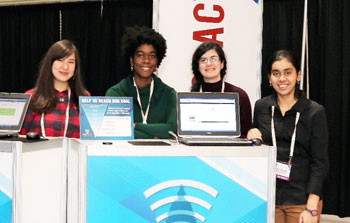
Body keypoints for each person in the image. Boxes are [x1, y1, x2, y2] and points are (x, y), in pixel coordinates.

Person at [247, 50, 329, 223]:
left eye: (288, 72)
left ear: (298, 75)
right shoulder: (261, 107)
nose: (282, 79)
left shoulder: (314, 112)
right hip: (268, 197)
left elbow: (320, 163)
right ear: (269, 78)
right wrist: (252, 137)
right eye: (276, 73)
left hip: (301, 200)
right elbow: (258, 148)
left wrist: (311, 207)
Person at [105, 26, 177, 139]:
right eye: (140, 55)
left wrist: (135, 126)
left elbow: (173, 130)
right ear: (131, 60)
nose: (146, 60)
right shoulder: (116, 94)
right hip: (124, 155)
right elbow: (115, 131)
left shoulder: (169, 94)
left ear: (158, 60)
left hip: (160, 156)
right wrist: (153, 137)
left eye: (152, 56)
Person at [21, 40, 89, 138]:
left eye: (71, 62)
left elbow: (90, 138)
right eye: (60, 60)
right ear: (50, 63)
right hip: (38, 153)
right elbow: (20, 138)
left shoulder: (84, 98)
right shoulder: (32, 97)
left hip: (74, 153)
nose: (65, 67)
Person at [191, 41, 252, 137]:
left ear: (222, 64)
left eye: (213, 59)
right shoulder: (191, 96)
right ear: (198, 67)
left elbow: (246, 134)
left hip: (231, 150)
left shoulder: (240, 95)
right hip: (199, 149)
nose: (209, 64)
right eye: (203, 60)